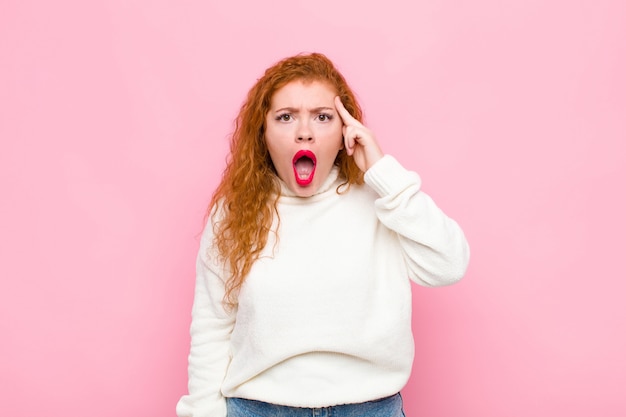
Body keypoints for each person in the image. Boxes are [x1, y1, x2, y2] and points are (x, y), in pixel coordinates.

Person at [176, 52, 470, 417]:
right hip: (259, 409)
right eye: (285, 117)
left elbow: (449, 264)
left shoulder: (381, 200)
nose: (304, 131)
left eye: (323, 117)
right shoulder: (233, 214)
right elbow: (211, 326)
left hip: (371, 409)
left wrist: (382, 172)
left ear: (346, 132)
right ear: (262, 134)